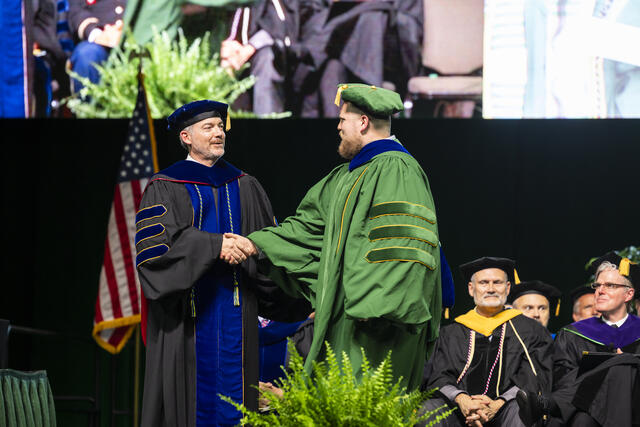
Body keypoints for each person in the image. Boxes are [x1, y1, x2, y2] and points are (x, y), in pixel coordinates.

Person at [227, 83, 442, 390]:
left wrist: (377, 306)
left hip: (379, 322)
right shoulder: (346, 176)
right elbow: (309, 228)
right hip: (347, 318)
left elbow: (401, 244)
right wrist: (254, 244)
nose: (338, 126)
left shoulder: (398, 169)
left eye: (343, 118)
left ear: (364, 122)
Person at [135, 100, 308, 426]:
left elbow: (268, 249)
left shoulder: (246, 186)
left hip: (239, 325)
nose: (218, 133)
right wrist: (215, 246)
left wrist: (294, 292)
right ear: (186, 137)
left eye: (220, 126)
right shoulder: (165, 187)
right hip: (187, 325)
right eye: (208, 127)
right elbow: (154, 259)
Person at [419, 257, 553, 427]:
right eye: (483, 283)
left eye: (497, 282)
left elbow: (533, 377)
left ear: (508, 288)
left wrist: (498, 404)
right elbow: (439, 375)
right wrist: (463, 400)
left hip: (506, 409)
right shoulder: (452, 332)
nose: (490, 289)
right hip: (459, 409)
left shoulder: (530, 330)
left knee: (522, 412)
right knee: (428, 410)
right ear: (471, 288)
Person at [517, 251, 640, 427]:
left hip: (633, 405)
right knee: (581, 421)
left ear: (628, 295)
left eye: (610, 285)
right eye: (597, 285)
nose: (600, 291)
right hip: (586, 407)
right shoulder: (573, 333)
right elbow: (562, 378)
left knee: (622, 363)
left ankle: (550, 404)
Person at [68, 0, 125, 93]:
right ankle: (87, 106)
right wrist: (98, 34)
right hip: (99, 40)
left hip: (138, 34)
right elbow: (76, 11)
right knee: (87, 55)